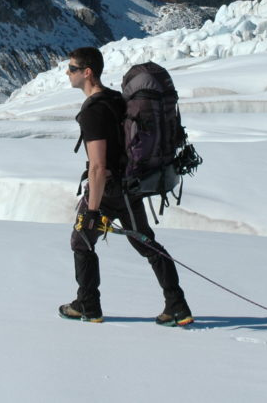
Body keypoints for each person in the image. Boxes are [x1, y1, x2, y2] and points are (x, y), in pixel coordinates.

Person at [58, 46, 193, 326]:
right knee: (145, 243)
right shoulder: (116, 99)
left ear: (87, 72)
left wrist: (92, 210)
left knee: (81, 241)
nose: (67, 73)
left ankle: (88, 305)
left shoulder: (93, 112)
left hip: (109, 190)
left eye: (71, 68)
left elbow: (97, 166)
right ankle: (177, 305)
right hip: (130, 185)